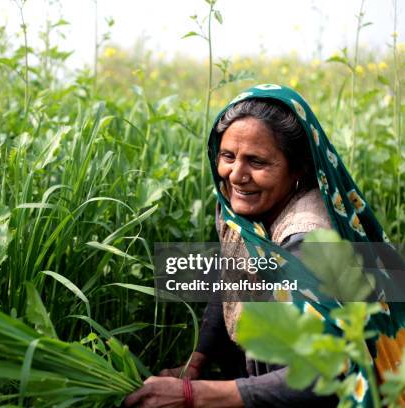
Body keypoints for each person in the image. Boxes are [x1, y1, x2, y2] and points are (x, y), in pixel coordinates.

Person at [124, 85, 404, 408]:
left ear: (298, 168)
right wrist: (196, 363)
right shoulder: (245, 207)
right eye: (228, 156)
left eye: (256, 161)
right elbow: (231, 277)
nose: (236, 175)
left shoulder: (306, 240)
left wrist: (193, 396)